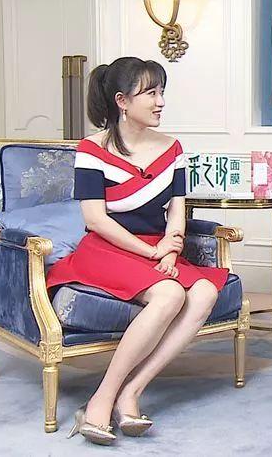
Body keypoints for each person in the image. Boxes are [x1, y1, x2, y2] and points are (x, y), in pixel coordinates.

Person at [46, 57, 230, 444]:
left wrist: (170, 249)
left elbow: (177, 211)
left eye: (162, 92)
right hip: (107, 248)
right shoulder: (91, 149)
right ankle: (101, 399)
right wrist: (152, 254)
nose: (161, 102)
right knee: (170, 294)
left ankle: (132, 392)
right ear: (122, 101)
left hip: (157, 247)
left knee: (205, 292)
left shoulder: (173, 148)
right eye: (151, 93)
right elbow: (96, 219)